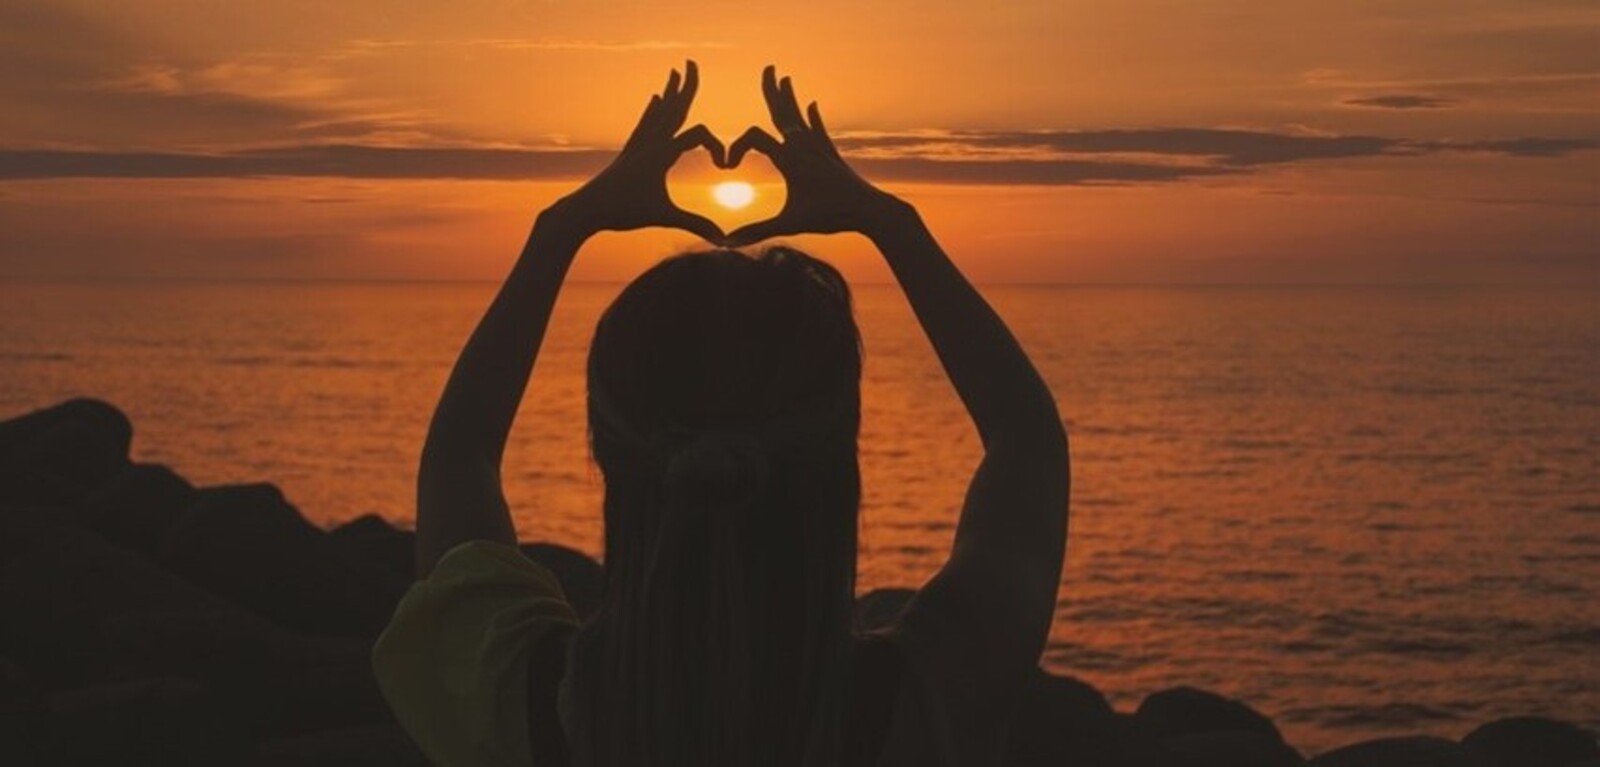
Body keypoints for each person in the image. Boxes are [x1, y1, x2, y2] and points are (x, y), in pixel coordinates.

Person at [372, 61, 1070, 767]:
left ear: (607, 453)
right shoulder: (927, 700)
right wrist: (886, 221)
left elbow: (462, 455)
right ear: (841, 458)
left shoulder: (521, 701)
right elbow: (1027, 439)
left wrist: (565, 226)